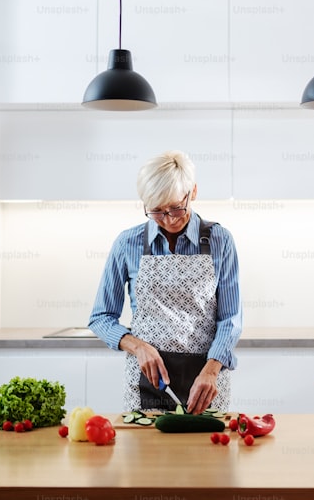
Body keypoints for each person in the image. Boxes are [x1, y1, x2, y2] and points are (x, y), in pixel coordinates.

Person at [88, 150, 242, 414]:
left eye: (176, 208)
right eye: (157, 211)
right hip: (147, 381)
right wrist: (137, 347)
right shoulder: (127, 243)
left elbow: (230, 319)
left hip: (205, 382)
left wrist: (212, 370)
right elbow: (101, 317)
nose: (169, 219)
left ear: (192, 192)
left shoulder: (220, 241)